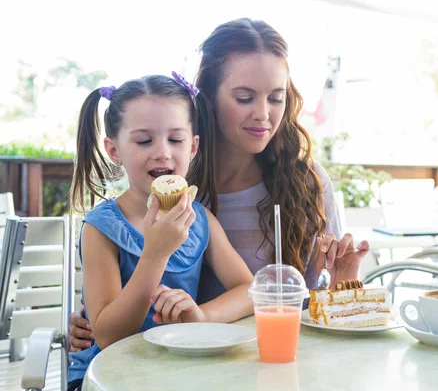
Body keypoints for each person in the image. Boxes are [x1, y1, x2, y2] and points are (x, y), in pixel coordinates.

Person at [68, 18, 370, 350]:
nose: (263, 114)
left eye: (276, 98)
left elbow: (307, 302)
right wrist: (92, 321)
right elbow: (112, 319)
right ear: (208, 99)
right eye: (244, 98)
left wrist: (343, 285)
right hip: (191, 364)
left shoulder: (305, 184)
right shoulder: (176, 183)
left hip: (279, 353)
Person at [65, 73, 253, 391]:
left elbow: (250, 289)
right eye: (143, 141)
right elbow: (108, 335)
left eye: (175, 140)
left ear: (193, 146)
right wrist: (156, 253)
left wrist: (200, 316)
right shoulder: (101, 228)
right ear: (114, 149)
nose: (163, 153)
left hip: (176, 374)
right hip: (107, 381)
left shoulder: (198, 219)